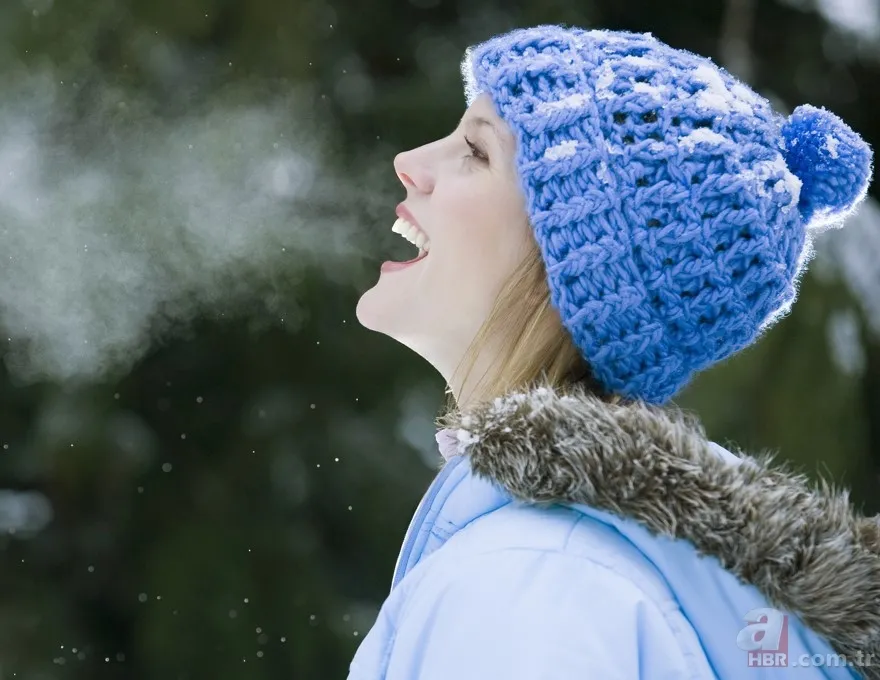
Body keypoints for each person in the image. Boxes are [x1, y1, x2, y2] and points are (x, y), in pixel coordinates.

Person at [351, 24, 876, 679]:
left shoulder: (527, 589)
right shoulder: (586, 572)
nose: (411, 162)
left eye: (476, 152)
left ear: (575, 267)